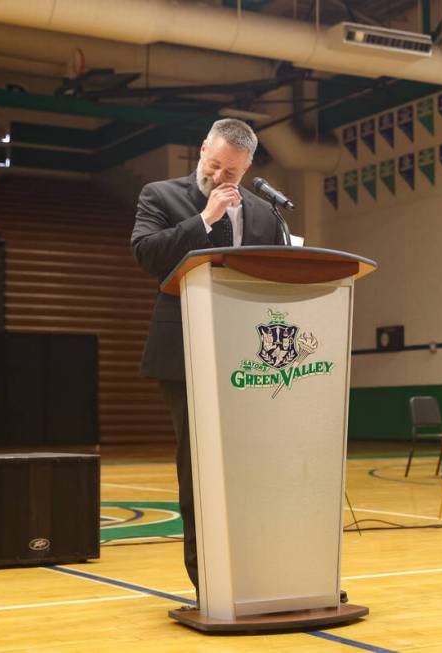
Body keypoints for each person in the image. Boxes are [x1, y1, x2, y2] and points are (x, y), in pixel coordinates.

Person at [130, 119, 286, 598]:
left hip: (252, 356)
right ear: (201, 150)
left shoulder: (265, 212)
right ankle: (208, 578)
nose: (220, 177)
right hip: (185, 352)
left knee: (257, 464)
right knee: (198, 466)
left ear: (248, 167)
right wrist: (204, 220)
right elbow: (147, 255)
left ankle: (265, 568)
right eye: (213, 165)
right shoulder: (161, 195)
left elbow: (279, 272)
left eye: (231, 172)